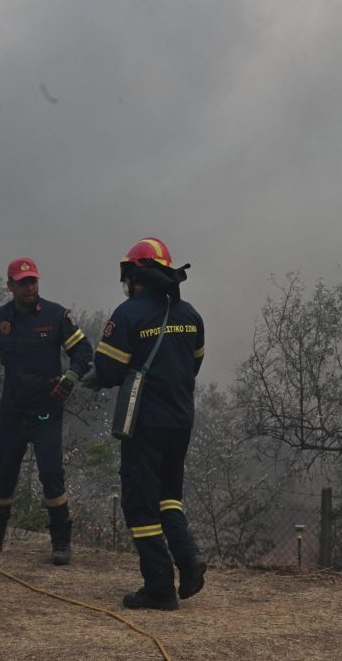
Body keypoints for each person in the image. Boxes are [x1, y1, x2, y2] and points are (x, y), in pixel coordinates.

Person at [85, 238, 207, 610]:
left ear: (133, 276)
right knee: (169, 496)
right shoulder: (191, 316)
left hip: (145, 423)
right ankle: (187, 558)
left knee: (140, 504)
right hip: (180, 420)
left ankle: (159, 586)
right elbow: (194, 365)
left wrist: (92, 378)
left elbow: (107, 369)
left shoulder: (127, 315)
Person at [0, 257, 93, 565]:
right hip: (12, 410)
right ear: (9, 285)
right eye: (23, 282)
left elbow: (82, 351)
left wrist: (72, 376)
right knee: (4, 473)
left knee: (51, 475)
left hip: (46, 410)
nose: (29, 287)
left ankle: (61, 542)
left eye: (33, 281)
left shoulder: (56, 315)